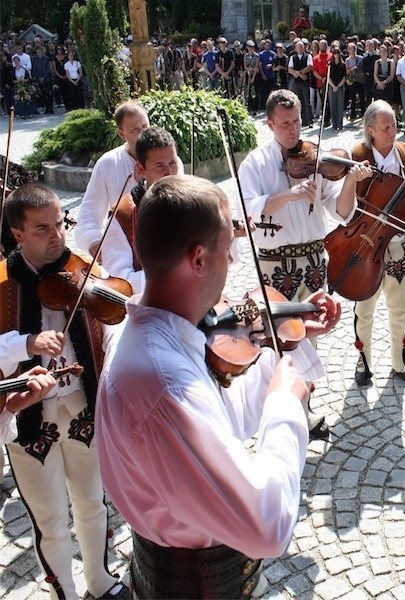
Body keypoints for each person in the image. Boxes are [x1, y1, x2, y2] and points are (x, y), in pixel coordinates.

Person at [96, 175, 311, 598]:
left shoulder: (159, 338)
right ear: (198, 260)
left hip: (196, 571)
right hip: (194, 585)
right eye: (227, 249)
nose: (231, 260)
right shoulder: (162, 384)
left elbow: (221, 422)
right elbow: (266, 527)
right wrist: (286, 405)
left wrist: (282, 352)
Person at [0, 183, 132, 600]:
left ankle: (100, 580)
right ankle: (67, 595)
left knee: (92, 501)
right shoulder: (2, 284)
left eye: (60, 223)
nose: (57, 235)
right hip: (28, 415)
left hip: (83, 405)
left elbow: (115, 325)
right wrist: (26, 344)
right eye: (42, 229)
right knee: (51, 518)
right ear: (17, 235)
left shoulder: (82, 270)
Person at [238, 89, 367, 302]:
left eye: (297, 121)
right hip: (275, 264)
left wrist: (351, 181)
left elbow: (342, 211)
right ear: (270, 124)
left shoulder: (315, 156)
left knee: (315, 332)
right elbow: (249, 212)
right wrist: (288, 195)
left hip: (314, 261)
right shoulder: (255, 164)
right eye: (285, 124)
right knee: (282, 333)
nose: (294, 130)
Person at [347, 100, 405, 386]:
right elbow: (345, 206)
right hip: (365, 246)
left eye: (395, 126)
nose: (392, 132)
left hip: (399, 244)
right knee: (364, 308)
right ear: (370, 130)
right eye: (386, 127)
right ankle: (363, 362)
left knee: (399, 307)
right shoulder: (357, 155)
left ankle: (399, 361)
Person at [75, 101, 176, 258]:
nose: (143, 134)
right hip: (124, 250)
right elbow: (89, 211)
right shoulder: (107, 164)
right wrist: (94, 241)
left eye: (145, 126)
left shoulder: (170, 160)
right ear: (121, 134)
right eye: (135, 130)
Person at [288, 39, 313, 128]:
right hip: (296, 82)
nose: (300, 48)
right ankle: (302, 121)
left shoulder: (308, 56)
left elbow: (309, 67)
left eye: (301, 47)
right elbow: (290, 69)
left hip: (305, 82)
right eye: (298, 47)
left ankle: (310, 120)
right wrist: (299, 74)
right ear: (296, 48)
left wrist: (299, 73)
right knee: (298, 102)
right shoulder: (292, 57)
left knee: (307, 101)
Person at [327, 46, 347, 131]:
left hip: (340, 86)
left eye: (337, 53)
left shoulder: (343, 65)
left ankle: (340, 124)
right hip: (332, 87)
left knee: (340, 105)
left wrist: (338, 86)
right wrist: (333, 86)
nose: (336, 55)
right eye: (334, 53)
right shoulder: (330, 64)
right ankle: (334, 124)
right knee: (332, 105)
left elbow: (344, 77)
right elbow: (328, 77)